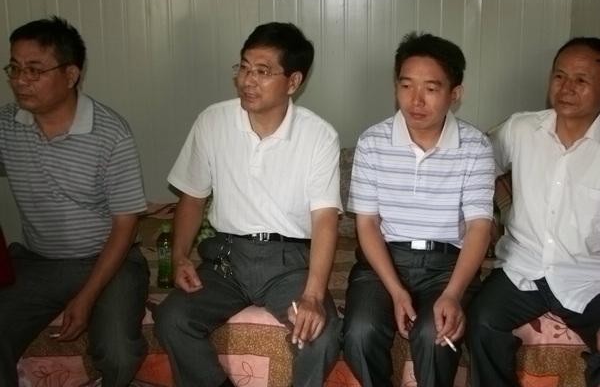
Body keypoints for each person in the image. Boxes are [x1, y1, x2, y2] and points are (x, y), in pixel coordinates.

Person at [153, 22, 342, 387]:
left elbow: (324, 220)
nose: (247, 80)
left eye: (263, 71)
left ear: (293, 81)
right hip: (226, 262)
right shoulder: (213, 121)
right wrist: (179, 257)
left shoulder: (319, 136)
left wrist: (313, 295)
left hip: (288, 266)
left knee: (322, 335)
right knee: (172, 318)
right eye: (243, 67)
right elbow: (193, 197)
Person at [0, 16, 149, 386]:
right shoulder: (6, 125)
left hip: (108, 260)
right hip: (39, 262)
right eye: (14, 68)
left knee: (118, 351)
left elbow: (126, 224)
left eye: (34, 70)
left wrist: (86, 298)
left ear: (70, 75)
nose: (20, 80)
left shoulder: (110, 133)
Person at [342, 32, 495, 387]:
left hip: (447, 266)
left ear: (455, 94)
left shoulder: (475, 147)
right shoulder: (373, 141)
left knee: (435, 334)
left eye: (431, 88)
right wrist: (396, 291)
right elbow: (367, 224)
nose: (416, 100)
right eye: (406, 85)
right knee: (360, 332)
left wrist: (453, 294)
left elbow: (479, 228)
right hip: (385, 262)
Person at [467, 37, 600, 387]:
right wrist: (485, 215)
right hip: (521, 266)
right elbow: (474, 163)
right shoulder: (522, 128)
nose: (566, 88)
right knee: (482, 322)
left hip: (589, 276)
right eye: (559, 76)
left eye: (581, 80)